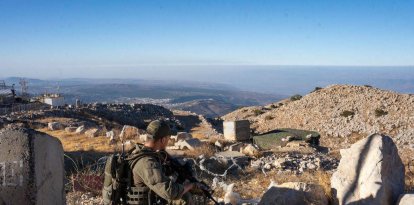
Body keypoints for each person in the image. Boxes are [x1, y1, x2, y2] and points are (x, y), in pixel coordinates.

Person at [126, 120, 196, 205]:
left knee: (184, 195)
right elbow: (170, 192)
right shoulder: (147, 162)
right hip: (146, 201)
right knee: (185, 198)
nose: (169, 140)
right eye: (168, 137)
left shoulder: (148, 152)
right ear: (163, 140)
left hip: (152, 197)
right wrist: (191, 185)